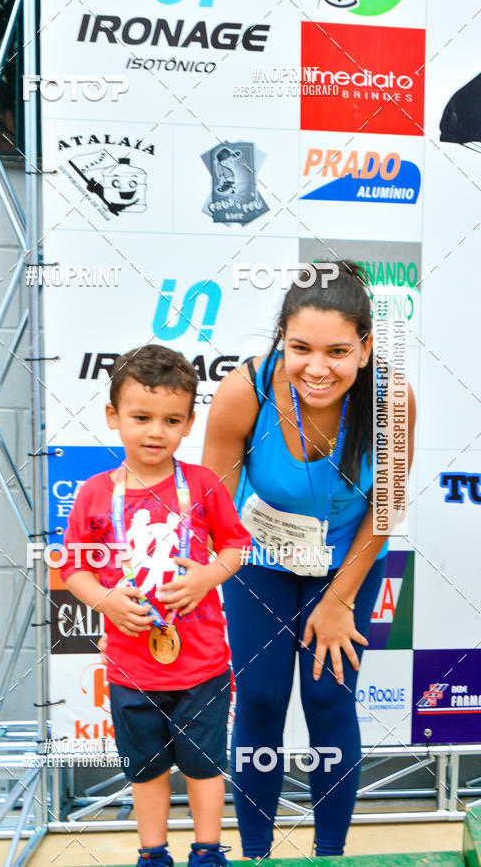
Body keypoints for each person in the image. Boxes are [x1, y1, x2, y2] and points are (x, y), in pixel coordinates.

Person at [202, 263, 416, 858]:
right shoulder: (245, 391)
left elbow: (386, 507)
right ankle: (254, 853)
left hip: (347, 560)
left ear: (365, 347)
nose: (317, 368)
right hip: (259, 560)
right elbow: (216, 505)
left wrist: (338, 598)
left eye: (338, 351)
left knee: (328, 695)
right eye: (300, 348)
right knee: (263, 699)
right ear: (281, 342)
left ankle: (329, 854)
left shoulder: (392, 399)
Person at [61, 344, 251, 867]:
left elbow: (237, 547)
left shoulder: (204, 485)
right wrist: (107, 601)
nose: (154, 431)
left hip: (202, 665)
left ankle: (209, 852)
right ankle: (152, 854)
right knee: (144, 771)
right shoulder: (95, 494)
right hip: (130, 668)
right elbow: (72, 569)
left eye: (171, 420)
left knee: (205, 766)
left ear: (189, 423)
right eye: (140, 417)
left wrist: (207, 577)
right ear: (112, 417)